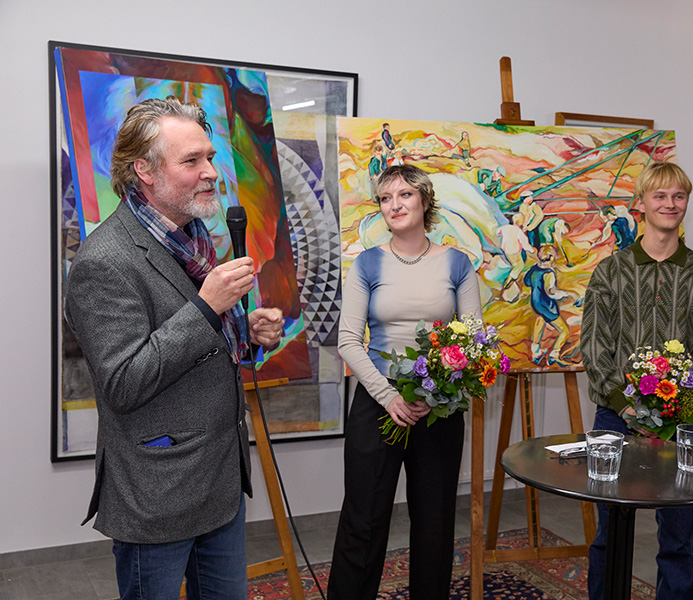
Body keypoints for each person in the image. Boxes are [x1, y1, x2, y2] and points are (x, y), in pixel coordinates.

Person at [64, 97, 284, 599]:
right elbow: (123, 382)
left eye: (209, 157)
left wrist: (245, 332)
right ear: (144, 170)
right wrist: (208, 307)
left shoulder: (193, 238)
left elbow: (193, 343)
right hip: (158, 492)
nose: (211, 172)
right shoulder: (104, 261)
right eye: (192, 161)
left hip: (220, 481)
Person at [579, 161, 693, 599]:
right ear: (641, 204)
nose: (670, 203)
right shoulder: (610, 272)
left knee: (679, 539)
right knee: (608, 533)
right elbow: (595, 346)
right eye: (660, 196)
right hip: (615, 419)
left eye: (678, 196)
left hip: (681, 425)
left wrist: (677, 407)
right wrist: (627, 407)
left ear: (686, 203)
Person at [329, 164, 482, 599]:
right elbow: (348, 342)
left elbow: (473, 341)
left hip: (439, 408)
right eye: (385, 198)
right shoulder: (368, 263)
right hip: (378, 404)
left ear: (425, 200)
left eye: (405, 195)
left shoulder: (457, 263)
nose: (394, 205)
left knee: (435, 522)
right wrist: (390, 397)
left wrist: (435, 394)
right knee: (363, 519)